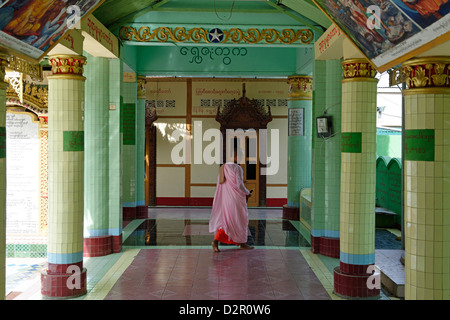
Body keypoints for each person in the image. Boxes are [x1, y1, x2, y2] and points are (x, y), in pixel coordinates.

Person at [209, 150, 253, 252]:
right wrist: (247, 193)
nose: (242, 159)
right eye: (241, 156)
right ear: (236, 156)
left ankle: (217, 242)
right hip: (236, 199)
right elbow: (239, 185)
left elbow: (220, 183)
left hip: (225, 199)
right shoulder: (237, 168)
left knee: (227, 220)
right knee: (240, 219)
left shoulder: (223, 167)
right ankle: (241, 243)